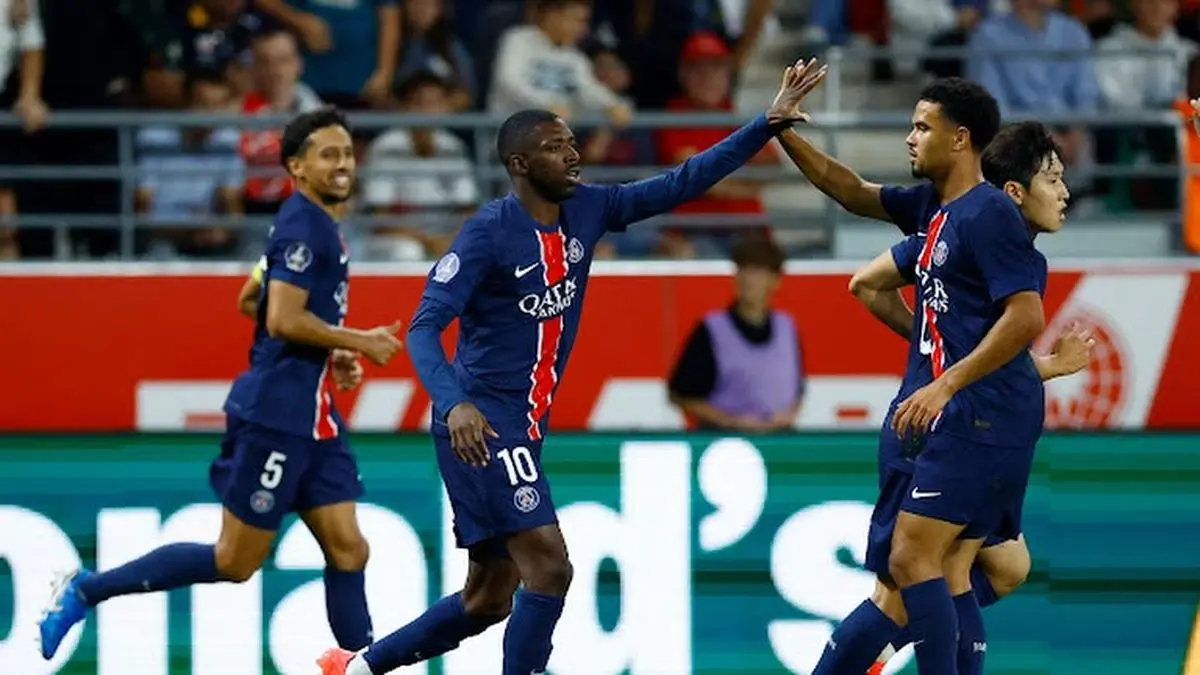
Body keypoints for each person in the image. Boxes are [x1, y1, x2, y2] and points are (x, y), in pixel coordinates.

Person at [314, 58, 829, 675]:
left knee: (488, 598)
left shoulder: (590, 208)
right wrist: (455, 405)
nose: (572, 155)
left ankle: (357, 668)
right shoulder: (487, 233)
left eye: (571, 143)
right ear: (519, 164)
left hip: (524, 425)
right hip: (482, 424)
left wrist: (764, 125)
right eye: (555, 147)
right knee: (551, 567)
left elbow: (683, 180)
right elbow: (425, 326)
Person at [38, 107, 404, 661]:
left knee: (349, 548)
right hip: (278, 415)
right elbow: (280, 317)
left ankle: (357, 667)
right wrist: (357, 340)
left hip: (315, 414)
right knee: (234, 560)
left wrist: (330, 352)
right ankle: (87, 589)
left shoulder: (307, 223)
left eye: (348, 153)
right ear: (296, 167)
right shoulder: (305, 229)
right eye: (328, 155)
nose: (343, 164)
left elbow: (250, 298)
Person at [779, 77, 1047, 675]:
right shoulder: (934, 207)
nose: (910, 137)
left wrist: (948, 379)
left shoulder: (989, 213)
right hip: (936, 415)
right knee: (938, 572)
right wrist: (783, 132)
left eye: (923, 126)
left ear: (960, 138)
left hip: (970, 417)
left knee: (917, 565)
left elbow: (1026, 315)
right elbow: (850, 191)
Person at [864, 120, 1094, 674]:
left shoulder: (983, 239)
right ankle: (886, 648)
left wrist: (952, 363)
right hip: (956, 424)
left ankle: (889, 648)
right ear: (1013, 191)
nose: (1065, 192)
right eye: (1053, 179)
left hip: (967, 422)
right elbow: (867, 281)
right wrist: (944, 367)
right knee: (956, 570)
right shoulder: (967, 234)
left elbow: (866, 284)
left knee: (963, 568)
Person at [668, 233, 805, 432]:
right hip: (725, 440)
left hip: (779, 439)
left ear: (775, 280)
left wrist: (787, 415)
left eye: (757, 271)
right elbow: (681, 394)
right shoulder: (712, 330)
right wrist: (730, 421)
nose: (748, 279)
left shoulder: (787, 327)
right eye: (742, 269)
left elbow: (797, 388)